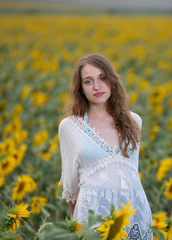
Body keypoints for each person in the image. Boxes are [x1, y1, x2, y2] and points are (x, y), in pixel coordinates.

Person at [58, 54, 153, 240]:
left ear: (112, 81)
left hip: (133, 213)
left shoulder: (134, 121)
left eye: (102, 78)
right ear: (81, 90)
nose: (97, 86)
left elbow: (133, 172)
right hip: (93, 215)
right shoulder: (69, 127)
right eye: (88, 81)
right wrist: (75, 226)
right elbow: (71, 187)